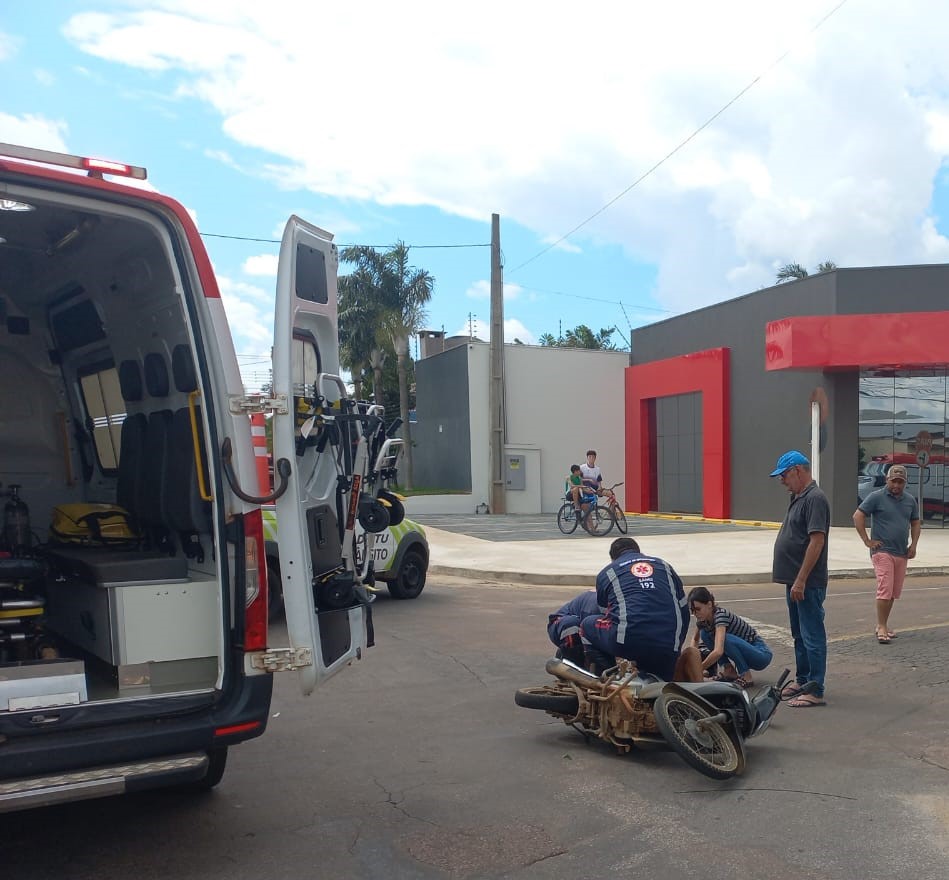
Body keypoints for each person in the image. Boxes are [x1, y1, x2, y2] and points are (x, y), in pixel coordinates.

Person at [580, 537, 703, 681]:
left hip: (628, 641)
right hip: (668, 644)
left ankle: (607, 679)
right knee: (664, 683)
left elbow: (605, 615)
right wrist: (675, 645)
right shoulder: (665, 566)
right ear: (639, 552)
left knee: (586, 625)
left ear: (613, 559)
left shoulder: (608, 572)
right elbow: (684, 613)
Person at [770, 450, 829, 708]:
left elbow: (817, 541)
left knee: (812, 634)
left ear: (797, 470)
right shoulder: (798, 497)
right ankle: (803, 679)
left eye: (784, 475)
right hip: (793, 580)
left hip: (807, 582)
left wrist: (802, 579)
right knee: (799, 635)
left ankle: (815, 689)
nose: (782, 481)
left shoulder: (815, 498)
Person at [852, 463, 920, 644]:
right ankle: (881, 626)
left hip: (901, 552)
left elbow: (915, 522)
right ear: (887, 480)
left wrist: (913, 545)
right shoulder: (876, 497)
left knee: (893, 592)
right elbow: (858, 516)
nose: (896, 485)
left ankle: (883, 624)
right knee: (885, 588)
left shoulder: (910, 500)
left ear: (905, 483)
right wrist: (867, 541)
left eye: (900, 482)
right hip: (882, 551)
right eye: (894, 481)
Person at [687, 586, 773, 688]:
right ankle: (729, 670)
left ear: (709, 604)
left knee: (725, 639)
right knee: (704, 634)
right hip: (748, 652)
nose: (695, 614)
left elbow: (718, 651)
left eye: (698, 609)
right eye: (692, 610)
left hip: (760, 654)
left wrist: (699, 669)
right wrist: (692, 662)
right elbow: (695, 639)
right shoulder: (703, 620)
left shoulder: (720, 616)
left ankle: (746, 676)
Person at [548, 590, 602, 665]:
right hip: (560, 623)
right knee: (571, 626)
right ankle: (574, 667)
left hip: (585, 624)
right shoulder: (594, 609)